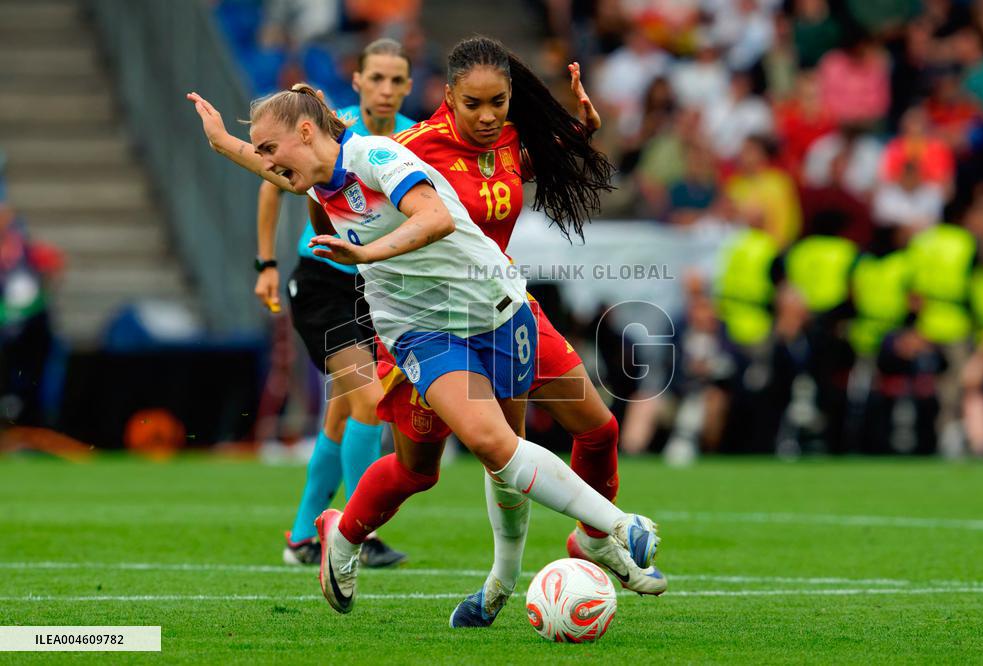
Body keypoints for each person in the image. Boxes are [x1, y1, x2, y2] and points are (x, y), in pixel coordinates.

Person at [186, 82, 664, 617]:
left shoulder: (376, 156)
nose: (269, 163)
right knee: (490, 442)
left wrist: (363, 252)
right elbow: (267, 164)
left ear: (305, 132)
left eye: (271, 149)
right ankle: (621, 526)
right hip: (421, 329)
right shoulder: (316, 178)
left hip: (496, 308)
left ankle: (381, 547)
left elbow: (434, 218)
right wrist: (221, 141)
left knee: (435, 466)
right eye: (264, 153)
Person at [376, 37, 666, 628]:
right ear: (448, 97)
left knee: (600, 427)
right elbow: (344, 195)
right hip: (449, 324)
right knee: (484, 461)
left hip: (511, 309)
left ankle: (592, 539)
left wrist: (580, 130)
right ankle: (496, 582)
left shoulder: (506, 141)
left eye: (499, 102)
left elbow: (524, 167)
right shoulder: (409, 152)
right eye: (474, 104)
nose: (488, 117)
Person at [254, 38, 413, 569]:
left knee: (344, 413)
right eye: (377, 78)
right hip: (322, 279)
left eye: (396, 80)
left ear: (408, 86)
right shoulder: (330, 126)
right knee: (369, 402)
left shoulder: (414, 135)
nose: (386, 89)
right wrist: (266, 263)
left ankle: (303, 536)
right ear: (358, 81)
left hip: (373, 283)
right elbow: (272, 182)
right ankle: (355, 533)